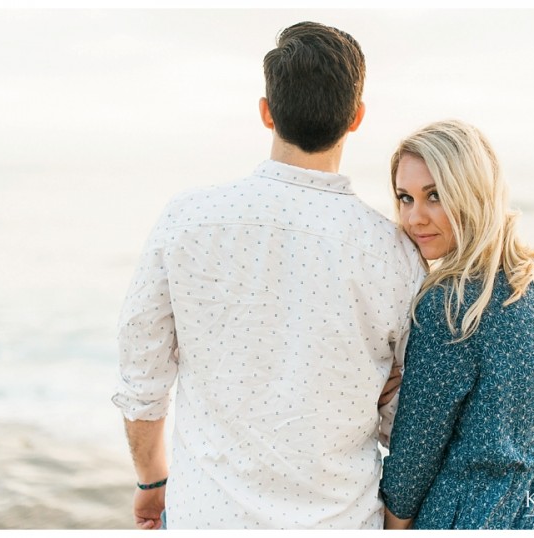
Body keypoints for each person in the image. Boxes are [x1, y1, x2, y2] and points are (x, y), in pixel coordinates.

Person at [112, 21, 424, 530]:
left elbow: (141, 374)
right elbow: (405, 420)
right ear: (357, 118)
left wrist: (151, 481)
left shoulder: (187, 219)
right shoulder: (396, 252)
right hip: (339, 522)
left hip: (207, 519)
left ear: (266, 112)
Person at [379, 120, 534, 529]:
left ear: (471, 191)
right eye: (405, 198)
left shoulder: (452, 303)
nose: (415, 217)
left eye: (435, 195)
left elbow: (411, 466)